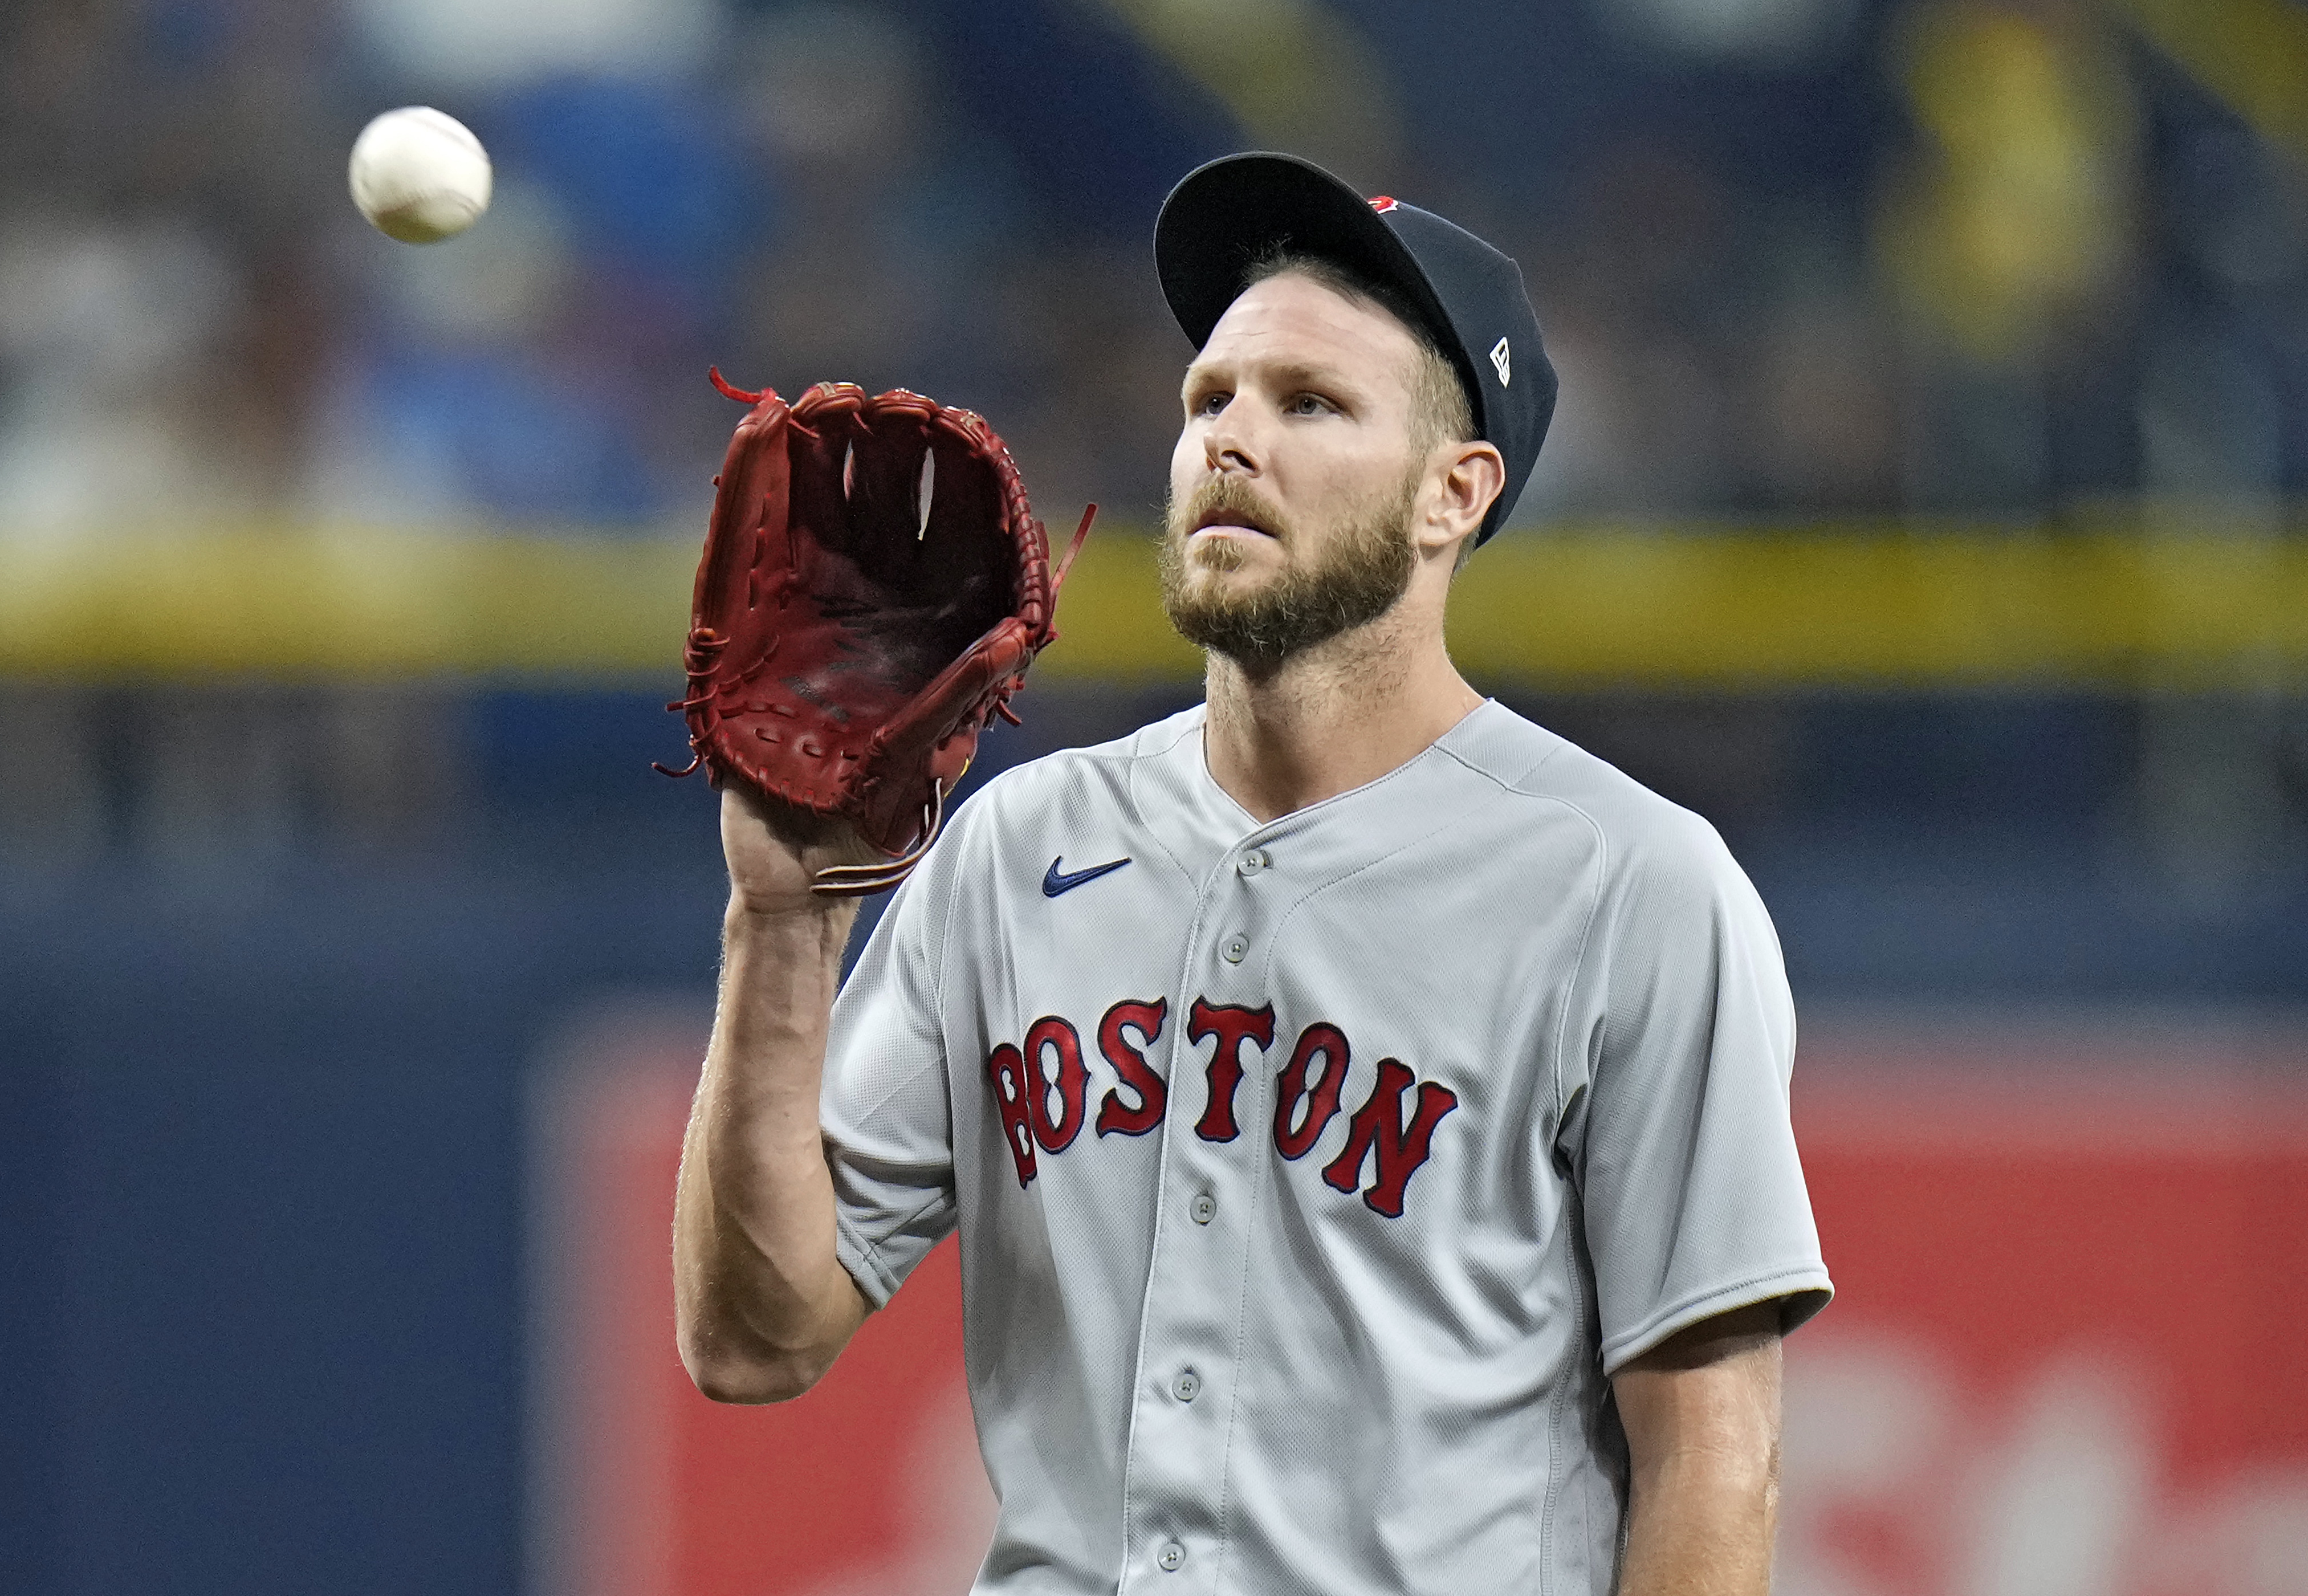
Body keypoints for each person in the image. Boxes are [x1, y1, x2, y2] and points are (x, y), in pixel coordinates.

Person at [673, 152, 1830, 1596]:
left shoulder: (1633, 886)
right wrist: (782, 921)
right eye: (1208, 398)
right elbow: (754, 1337)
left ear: (1451, 496)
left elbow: (1716, 1462)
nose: (1230, 439)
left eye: (1312, 405)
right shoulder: (1018, 848)